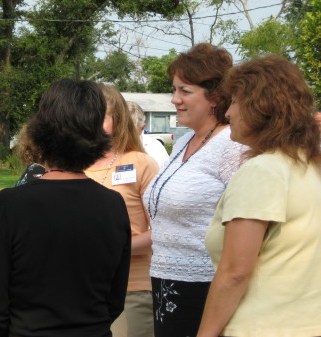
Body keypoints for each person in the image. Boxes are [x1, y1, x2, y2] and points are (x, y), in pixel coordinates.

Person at [0, 78, 131, 337]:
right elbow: (115, 297)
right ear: (96, 135)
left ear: (40, 130)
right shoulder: (113, 204)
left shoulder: (9, 205)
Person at [197, 55, 321, 337]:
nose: (228, 113)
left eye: (236, 101)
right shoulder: (310, 167)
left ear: (260, 107)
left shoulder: (263, 170)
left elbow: (234, 272)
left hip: (261, 327)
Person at [143, 43, 245, 337]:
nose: (174, 100)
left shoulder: (232, 146)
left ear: (215, 96)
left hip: (205, 285)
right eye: (174, 90)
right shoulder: (184, 142)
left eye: (185, 91)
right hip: (165, 280)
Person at [85, 84, 159, 337]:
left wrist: (113, 249)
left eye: (100, 114)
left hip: (131, 287)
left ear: (118, 118)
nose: (91, 121)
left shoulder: (140, 162)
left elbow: (161, 231)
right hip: (81, 288)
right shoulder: (70, 164)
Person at [126, 101, 170, 168]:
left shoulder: (156, 149)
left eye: (130, 132)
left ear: (142, 128)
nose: (124, 135)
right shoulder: (106, 148)